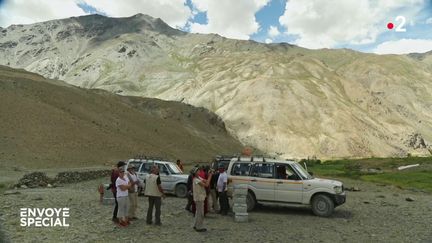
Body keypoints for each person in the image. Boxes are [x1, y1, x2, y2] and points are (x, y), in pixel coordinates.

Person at [193, 167, 212, 232]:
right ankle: (199, 227)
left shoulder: (198, 178)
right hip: (199, 198)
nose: (199, 172)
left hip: (200, 197)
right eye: (197, 171)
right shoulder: (196, 180)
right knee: (200, 213)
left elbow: (205, 181)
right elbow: (206, 185)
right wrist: (210, 176)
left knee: (197, 212)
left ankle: (196, 225)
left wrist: (208, 177)